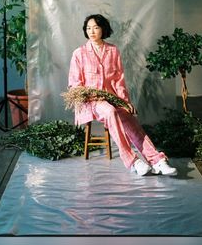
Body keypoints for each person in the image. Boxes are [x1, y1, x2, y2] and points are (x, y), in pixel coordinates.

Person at [68, 14, 177, 176]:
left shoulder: (113, 51)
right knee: (110, 111)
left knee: (129, 118)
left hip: (112, 99)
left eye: (96, 28)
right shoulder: (79, 53)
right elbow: (75, 84)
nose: (91, 31)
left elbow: (119, 81)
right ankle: (133, 161)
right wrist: (90, 95)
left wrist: (125, 102)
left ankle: (158, 160)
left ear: (103, 29)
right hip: (91, 102)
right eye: (88, 28)